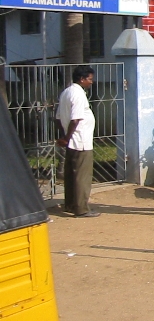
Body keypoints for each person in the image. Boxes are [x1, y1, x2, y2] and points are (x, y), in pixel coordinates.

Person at [57, 65, 99, 218]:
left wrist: (64, 137)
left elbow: (58, 118)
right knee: (82, 176)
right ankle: (81, 208)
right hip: (81, 141)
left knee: (71, 175)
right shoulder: (78, 94)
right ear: (82, 79)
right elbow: (75, 119)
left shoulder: (66, 92)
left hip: (72, 141)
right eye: (90, 79)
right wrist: (67, 138)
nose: (91, 82)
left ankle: (70, 204)